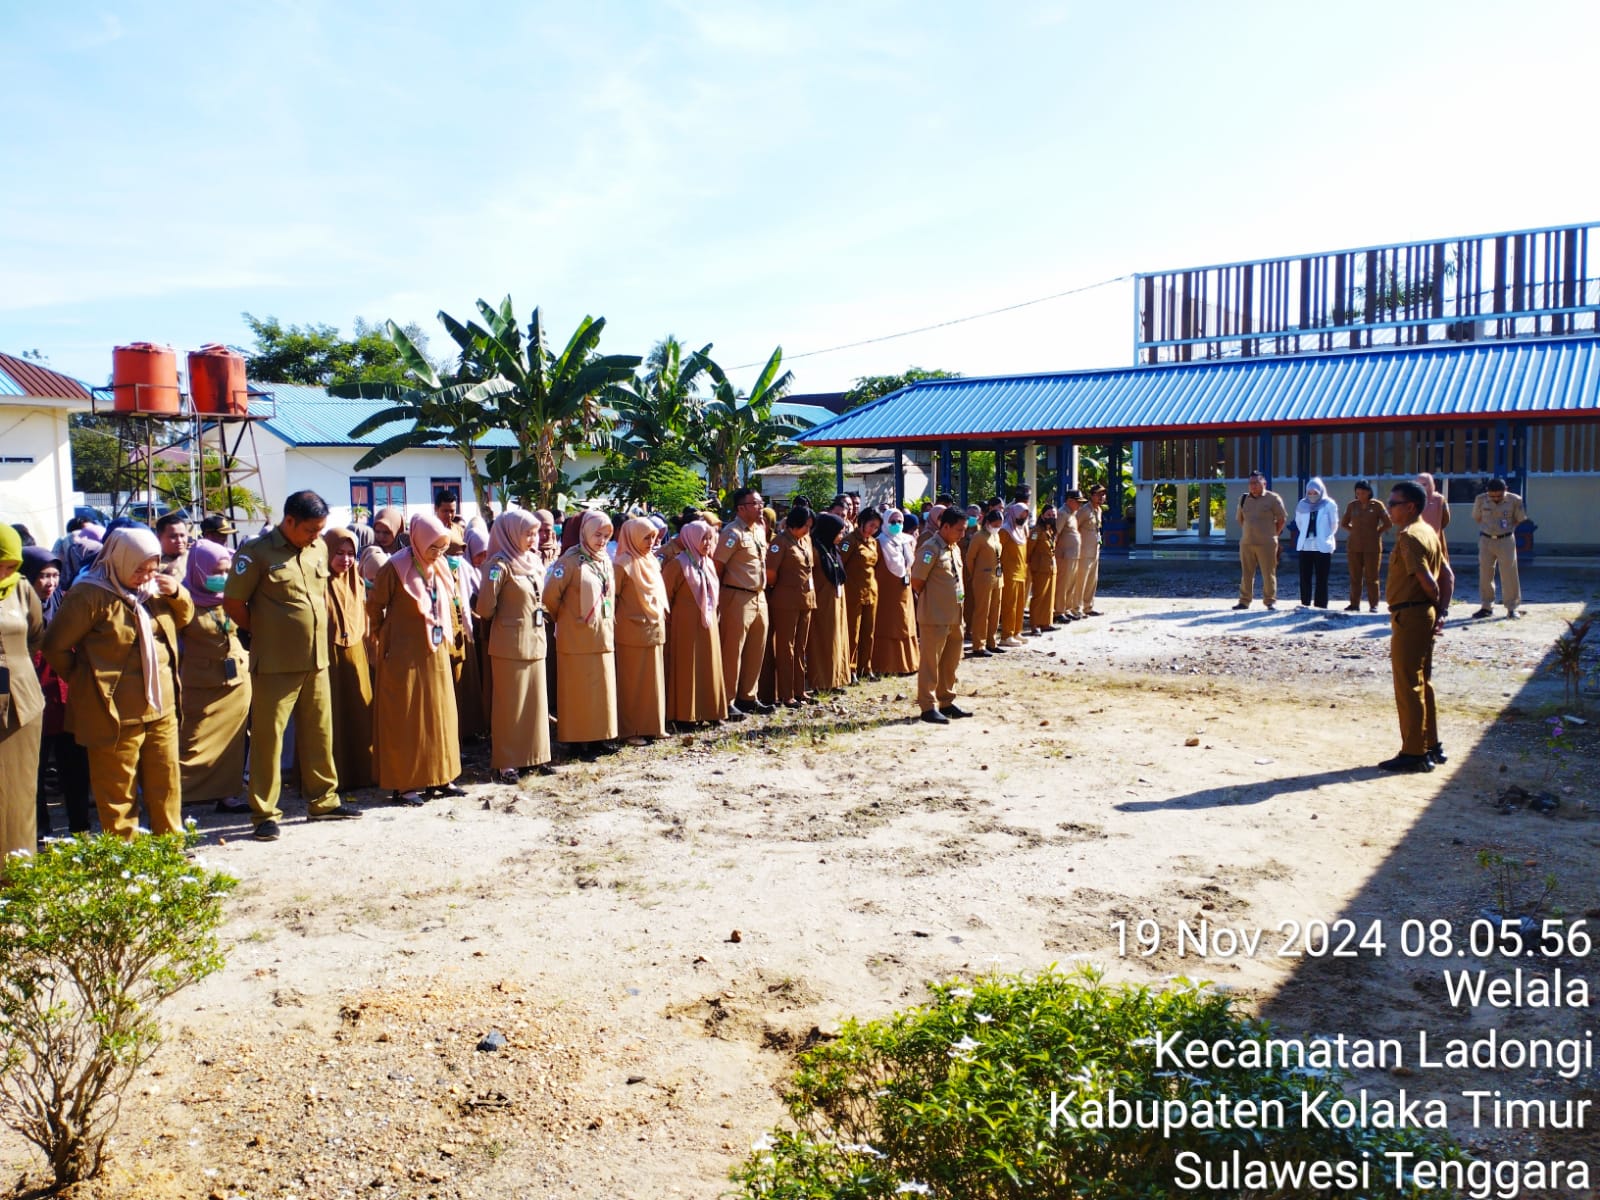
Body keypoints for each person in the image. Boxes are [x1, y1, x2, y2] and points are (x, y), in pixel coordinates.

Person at [224, 490, 361, 841]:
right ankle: (265, 813)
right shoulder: (255, 554)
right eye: (311, 529)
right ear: (289, 522)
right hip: (275, 663)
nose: (316, 535)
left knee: (319, 732)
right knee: (269, 740)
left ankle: (324, 801)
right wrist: (264, 631)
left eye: (320, 529)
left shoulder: (318, 549)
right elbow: (234, 602)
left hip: (316, 659)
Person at [43, 527, 191, 840]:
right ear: (120, 560)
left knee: (166, 782)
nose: (145, 575)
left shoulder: (155, 589)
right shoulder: (90, 594)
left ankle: (171, 850)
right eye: (139, 568)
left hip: (161, 705)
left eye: (151, 567)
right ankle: (125, 857)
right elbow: (55, 645)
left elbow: (184, 619)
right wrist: (85, 681)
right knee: (117, 790)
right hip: (115, 712)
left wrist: (177, 592)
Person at [366, 513, 465, 802]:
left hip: (435, 653)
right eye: (433, 547)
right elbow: (375, 606)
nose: (437, 554)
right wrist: (386, 635)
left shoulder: (441, 566)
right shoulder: (395, 568)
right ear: (419, 541)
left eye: (442, 548)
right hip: (402, 655)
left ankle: (441, 777)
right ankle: (405, 783)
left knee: (439, 715)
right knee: (407, 717)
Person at [474, 509, 553, 780]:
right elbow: (485, 608)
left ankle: (536, 756)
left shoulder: (533, 560)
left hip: (536, 639)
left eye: (535, 533)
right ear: (510, 533)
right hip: (510, 644)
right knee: (511, 704)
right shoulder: (498, 565)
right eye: (527, 534)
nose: (533, 539)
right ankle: (508, 761)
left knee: (535, 701)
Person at [1382, 480, 1453, 773]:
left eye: (1393, 504)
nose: (1389, 509)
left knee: (1408, 683)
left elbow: (1429, 581)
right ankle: (1430, 744)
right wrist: (1440, 613)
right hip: (1420, 614)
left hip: (1410, 615)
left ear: (1409, 506)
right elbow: (1448, 575)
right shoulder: (1429, 532)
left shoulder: (1410, 536)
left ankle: (1414, 752)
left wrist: (1434, 609)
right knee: (1423, 681)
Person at [20, 548, 91, 837]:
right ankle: (39, 832)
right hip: (29, 703)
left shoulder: (65, 604)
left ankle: (80, 828)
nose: (49, 583)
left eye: (54, 575)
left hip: (65, 701)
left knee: (74, 770)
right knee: (32, 774)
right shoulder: (13, 610)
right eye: (42, 576)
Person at [177, 539, 251, 812]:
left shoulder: (230, 599)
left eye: (226, 571)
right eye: (216, 572)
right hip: (201, 683)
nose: (222, 578)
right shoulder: (184, 602)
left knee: (232, 742)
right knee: (192, 741)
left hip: (237, 680)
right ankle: (180, 794)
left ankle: (226, 794)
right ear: (199, 569)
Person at [543, 510, 619, 758]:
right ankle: (577, 742)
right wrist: (567, 619)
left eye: (606, 536)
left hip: (601, 635)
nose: (602, 540)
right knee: (577, 692)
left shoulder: (604, 559)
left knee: (600, 690)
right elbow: (550, 597)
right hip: (575, 638)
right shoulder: (570, 560)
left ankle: (599, 738)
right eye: (597, 534)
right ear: (585, 532)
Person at [0, 526, 46, 858]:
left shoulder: (22, 589)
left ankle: (18, 869)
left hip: (22, 701)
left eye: (10, 565)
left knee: (19, 791)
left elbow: (36, 635)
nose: (5, 572)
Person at [322, 527, 376, 790]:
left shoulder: (358, 581)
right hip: (327, 657)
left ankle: (362, 773)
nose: (345, 559)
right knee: (331, 716)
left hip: (356, 654)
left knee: (358, 712)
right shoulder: (317, 581)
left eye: (350, 554)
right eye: (338, 553)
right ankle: (333, 778)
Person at [661, 518, 727, 727]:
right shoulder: (678, 564)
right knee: (687, 666)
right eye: (703, 539)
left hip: (708, 624)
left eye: (709, 539)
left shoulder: (707, 563)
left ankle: (711, 711)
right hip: (685, 624)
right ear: (690, 539)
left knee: (710, 664)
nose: (707, 543)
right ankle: (685, 715)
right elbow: (665, 596)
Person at [714, 488, 772, 719]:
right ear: (741, 508)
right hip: (736, 596)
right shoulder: (731, 533)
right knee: (732, 650)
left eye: (761, 502)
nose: (761, 507)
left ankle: (748, 696)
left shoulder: (760, 529)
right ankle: (727, 700)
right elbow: (718, 567)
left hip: (759, 596)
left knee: (756, 649)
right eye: (756, 503)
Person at [613, 517, 669, 744]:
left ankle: (654, 726)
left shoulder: (651, 561)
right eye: (645, 537)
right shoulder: (622, 564)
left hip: (653, 627)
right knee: (632, 683)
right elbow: (613, 598)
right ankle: (630, 731)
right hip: (630, 631)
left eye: (653, 537)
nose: (650, 542)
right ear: (632, 536)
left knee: (653, 680)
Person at [913, 508, 972, 724]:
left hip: (955, 615)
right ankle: (928, 706)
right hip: (935, 616)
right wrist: (935, 601)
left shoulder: (953, 548)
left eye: (964, 530)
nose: (962, 534)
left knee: (950, 661)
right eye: (959, 530)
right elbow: (917, 581)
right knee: (931, 662)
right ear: (944, 526)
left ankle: (946, 700)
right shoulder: (930, 548)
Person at [766, 506, 817, 707]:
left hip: (806, 600)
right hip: (786, 601)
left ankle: (799, 690)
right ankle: (786, 694)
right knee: (786, 647)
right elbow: (771, 573)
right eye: (805, 526)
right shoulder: (780, 543)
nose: (807, 530)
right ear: (795, 524)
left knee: (800, 647)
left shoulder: (805, 540)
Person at [1472, 478, 1529, 620]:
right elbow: (1477, 517)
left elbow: (1519, 519)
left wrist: (1506, 530)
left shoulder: (1515, 500)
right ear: (1487, 492)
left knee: (1509, 574)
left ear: (1506, 490)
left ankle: (1512, 608)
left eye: (1499, 495)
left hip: (1506, 540)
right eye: (1492, 496)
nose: (1496, 498)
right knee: (1485, 573)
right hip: (1486, 540)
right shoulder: (1480, 500)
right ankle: (1486, 607)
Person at [806, 512, 851, 693]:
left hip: (836, 602)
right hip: (822, 604)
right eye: (839, 532)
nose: (841, 536)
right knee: (823, 642)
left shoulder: (832, 549)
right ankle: (821, 682)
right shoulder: (816, 550)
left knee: (837, 639)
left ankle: (836, 679)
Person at [871, 508, 919, 676]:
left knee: (905, 623)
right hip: (886, 591)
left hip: (904, 589)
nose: (896, 525)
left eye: (899, 522)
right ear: (885, 522)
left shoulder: (907, 541)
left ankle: (909, 663)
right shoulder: (879, 542)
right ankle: (887, 665)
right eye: (892, 522)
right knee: (890, 625)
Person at [1234, 471, 1287, 610]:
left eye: (1256, 483)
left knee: (1268, 573)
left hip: (1267, 543)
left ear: (1264, 483)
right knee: (1246, 573)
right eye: (1251, 483)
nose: (1253, 486)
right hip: (1247, 543)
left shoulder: (1273, 498)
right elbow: (1240, 519)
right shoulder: (1243, 499)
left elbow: (1281, 519)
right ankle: (1244, 601)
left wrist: (1273, 534)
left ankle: (1270, 601)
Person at [840, 508, 881, 682]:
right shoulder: (849, 541)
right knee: (853, 632)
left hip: (871, 591)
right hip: (853, 591)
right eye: (871, 525)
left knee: (868, 632)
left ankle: (866, 667)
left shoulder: (873, 542)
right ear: (862, 522)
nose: (873, 529)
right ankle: (851, 669)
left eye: (877, 527)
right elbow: (840, 563)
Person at [1340, 480, 1391, 612]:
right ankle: (1354, 604)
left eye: (1362, 493)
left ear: (1368, 492)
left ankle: (1373, 604)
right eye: (1357, 493)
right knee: (1355, 577)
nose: (1360, 495)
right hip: (1354, 546)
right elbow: (1344, 523)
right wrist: (1355, 531)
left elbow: (1388, 523)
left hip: (1372, 547)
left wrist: (1377, 532)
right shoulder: (1352, 506)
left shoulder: (1377, 505)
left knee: (1372, 577)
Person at [1292, 477, 1339, 609]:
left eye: (1315, 493)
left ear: (1321, 491)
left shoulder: (1329, 504)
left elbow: (1334, 524)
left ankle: (1320, 604)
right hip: (1305, 545)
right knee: (1305, 576)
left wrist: (1324, 536)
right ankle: (1305, 602)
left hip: (1322, 545)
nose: (1312, 496)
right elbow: (1299, 523)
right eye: (1310, 493)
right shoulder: (1302, 504)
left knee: (1322, 577)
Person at [964, 506, 1004, 656]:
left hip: (997, 578)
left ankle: (991, 641)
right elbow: (970, 558)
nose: (998, 527)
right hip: (983, 579)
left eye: (1000, 524)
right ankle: (978, 644)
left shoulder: (996, 536)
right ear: (988, 522)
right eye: (995, 524)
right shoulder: (979, 536)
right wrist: (976, 574)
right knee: (982, 611)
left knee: (995, 612)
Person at [997, 502, 1029, 646]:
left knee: (1020, 604)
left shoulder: (1021, 531)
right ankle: (1006, 635)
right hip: (1009, 574)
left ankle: (1017, 631)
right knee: (1009, 605)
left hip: (1021, 573)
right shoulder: (1005, 531)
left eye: (1026, 514)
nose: (1024, 517)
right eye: (1022, 513)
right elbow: (997, 551)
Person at [1026, 506, 1058, 634]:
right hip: (1040, 568)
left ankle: (1046, 622)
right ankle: (1035, 624)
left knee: (1049, 596)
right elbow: (1029, 550)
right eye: (1049, 515)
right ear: (1043, 516)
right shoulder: (1036, 531)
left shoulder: (1050, 531)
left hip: (1051, 567)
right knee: (1039, 596)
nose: (1052, 517)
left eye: (1054, 515)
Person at [1076, 485, 1106, 617]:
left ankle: (1088, 606)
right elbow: (1074, 526)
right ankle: (1077, 608)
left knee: (1092, 580)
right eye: (1099, 494)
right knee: (1081, 580)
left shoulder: (1098, 510)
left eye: (1103, 495)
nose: (1101, 497)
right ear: (1092, 495)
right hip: (1083, 551)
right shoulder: (1084, 511)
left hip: (1095, 551)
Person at [1054, 490, 1085, 621]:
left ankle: (1067, 608)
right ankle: (1059, 611)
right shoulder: (1062, 513)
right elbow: (1056, 533)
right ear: (1070, 501)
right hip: (1064, 555)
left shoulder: (1072, 514)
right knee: (1063, 583)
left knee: (1070, 583)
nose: (1079, 505)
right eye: (1078, 502)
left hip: (1073, 555)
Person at [1416, 472, 1450, 552]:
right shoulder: (1411, 500)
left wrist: (1436, 527)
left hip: (1435, 538)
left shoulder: (1440, 500)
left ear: (1431, 485)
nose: (1421, 487)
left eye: (1424, 484)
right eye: (1419, 485)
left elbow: (1446, 519)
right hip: (1417, 540)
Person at [155, 511, 190, 580]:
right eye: (173, 536)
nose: (179, 541)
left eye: (182, 535)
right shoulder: (151, 566)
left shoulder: (197, 558)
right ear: (159, 538)